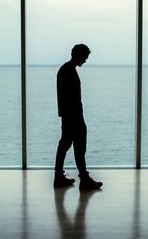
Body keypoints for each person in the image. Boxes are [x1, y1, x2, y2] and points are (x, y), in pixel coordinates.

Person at [54, 44, 103, 190]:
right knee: (76, 147)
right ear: (79, 55)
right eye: (85, 57)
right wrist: (73, 118)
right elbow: (69, 98)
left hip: (70, 116)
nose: (86, 61)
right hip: (73, 117)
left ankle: (61, 177)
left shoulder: (67, 69)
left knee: (67, 145)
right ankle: (83, 179)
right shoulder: (68, 71)